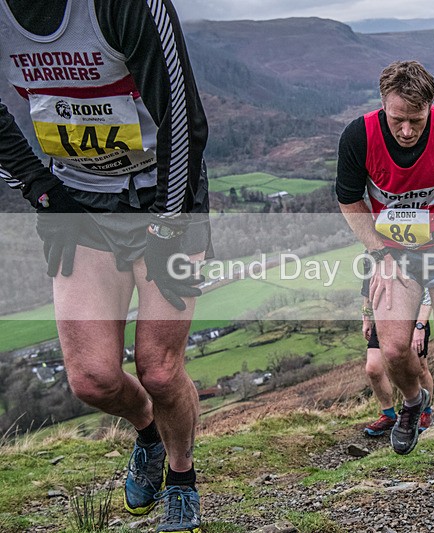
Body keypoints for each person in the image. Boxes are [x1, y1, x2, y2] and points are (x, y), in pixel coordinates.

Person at [0, 2, 209, 531]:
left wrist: (168, 224)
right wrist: (41, 190)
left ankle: (182, 479)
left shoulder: (123, 5)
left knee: (160, 371)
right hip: (80, 202)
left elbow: (183, 116)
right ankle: (148, 433)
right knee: (92, 378)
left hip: (165, 194)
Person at [336, 60, 434, 464]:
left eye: (416, 120)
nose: (406, 130)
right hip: (393, 251)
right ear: (383, 104)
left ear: (431, 107)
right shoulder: (358, 136)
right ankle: (413, 402)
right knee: (395, 349)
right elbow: (349, 199)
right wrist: (378, 254)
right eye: (397, 118)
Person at [362, 287, 434, 436]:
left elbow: (427, 292)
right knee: (373, 368)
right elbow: (367, 291)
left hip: (414, 320)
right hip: (385, 321)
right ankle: (389, 415)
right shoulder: (371, 263)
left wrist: (420, 325)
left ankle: (425, 413)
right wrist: (367, 318)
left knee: (420, 369)